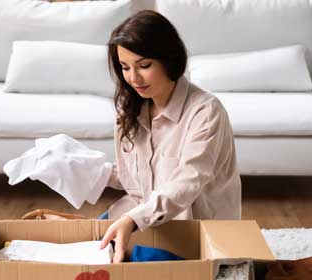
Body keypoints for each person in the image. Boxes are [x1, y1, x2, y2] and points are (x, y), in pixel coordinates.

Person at [99, 10, 241, 263]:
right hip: (147, 218)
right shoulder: (130, 108)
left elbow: (187, 184)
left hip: (192, 232)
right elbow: (134, 181)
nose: (133, 78)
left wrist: (133, 220)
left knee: (125, 262)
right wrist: (85, 170)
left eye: (144, 66)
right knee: (89, 243)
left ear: (169, 60)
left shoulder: (206, 112)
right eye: (124, 67)